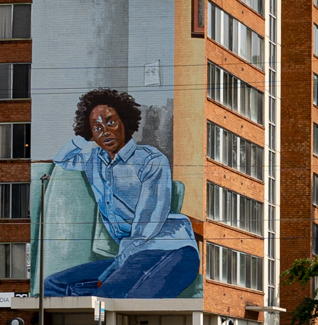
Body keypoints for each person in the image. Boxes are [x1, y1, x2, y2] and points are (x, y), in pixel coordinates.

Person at [41, 87, 201, 301]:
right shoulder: (93, 160)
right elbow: (62, 160)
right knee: (52, 285)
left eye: (110, 122)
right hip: (132, 256)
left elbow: (147, 224)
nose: (105, 131)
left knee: (110, 297)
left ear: (125, 121)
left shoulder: (151, 160)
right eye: (96, 128)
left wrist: (116, 267)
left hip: (172, 251)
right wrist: (83, 135)